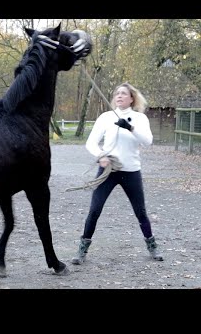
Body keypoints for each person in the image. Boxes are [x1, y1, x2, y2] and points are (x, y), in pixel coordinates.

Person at [72, 82, 163, 264]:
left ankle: (152, 247)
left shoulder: (139, 118)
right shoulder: (105, 118)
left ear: (131, 99)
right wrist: (100, 156)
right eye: (117, 94)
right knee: (95, 209)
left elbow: (148, 141)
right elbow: (90, 143)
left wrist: (130, 128)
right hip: (108, 170)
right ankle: (82, 251)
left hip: (131, 172)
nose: (119, 96)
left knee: (140, 212)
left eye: (124, 94)